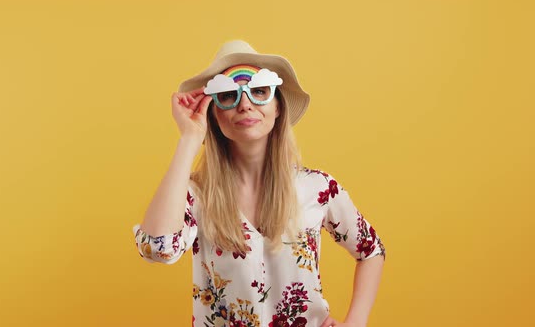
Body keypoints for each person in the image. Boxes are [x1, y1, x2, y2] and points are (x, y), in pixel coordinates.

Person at [132, 40, 386, 327]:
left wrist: (356, 321)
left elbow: (371, 250)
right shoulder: (194, 196)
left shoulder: (317, 188)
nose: (245, 104)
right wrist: (190, 138)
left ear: (278, 107)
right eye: (228, 95)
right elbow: (157, 249)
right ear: (214, 114)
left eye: (259, 91)